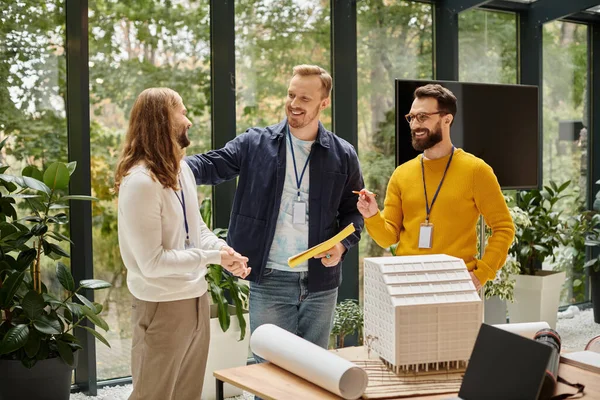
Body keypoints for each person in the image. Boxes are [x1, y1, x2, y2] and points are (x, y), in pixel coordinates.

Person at [186, 65, 364, 355]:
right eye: (291, 95)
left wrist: (343, 246)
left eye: (304, 99)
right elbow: (211, 164)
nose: (294, 104)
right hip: (270, 279)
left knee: (314, 370)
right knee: (269, 370)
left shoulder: (343, 154)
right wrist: (165, 168)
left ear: (324, 102)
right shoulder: (255, 143)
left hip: (322, 283)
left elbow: (353, 214)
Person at [115, 88, 250, 400]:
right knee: (153, 394)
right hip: (161, 305)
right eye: (182, 113)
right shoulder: (140, 183)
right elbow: (152, 263)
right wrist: (210, 257)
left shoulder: (182, 169)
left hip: (195, 299)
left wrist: (223, 251)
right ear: (163, 120)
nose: (188, 121)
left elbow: (196, 227)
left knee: (187, 393)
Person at [357, 84, 514, 289]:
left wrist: (481, 275)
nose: (414, 125)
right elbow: (388, 238)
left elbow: (504, 228)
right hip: (406, 283)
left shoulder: (476, 171)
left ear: (446, 119)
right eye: (411, 118)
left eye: (423, 117)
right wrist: (371, 215)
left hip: (455, 284)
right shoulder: (401, 174)